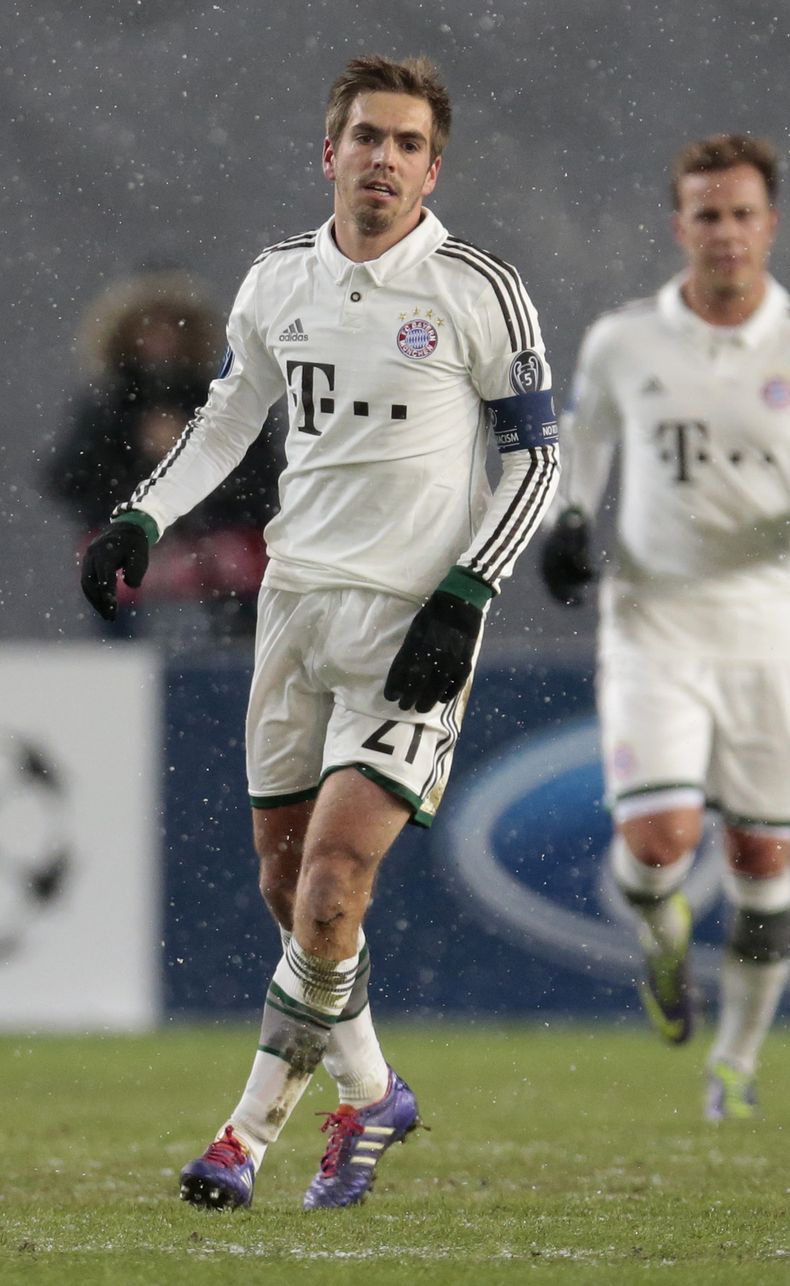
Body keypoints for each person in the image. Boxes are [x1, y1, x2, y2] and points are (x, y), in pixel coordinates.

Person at [80, 55, 559, 1209]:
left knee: (335, 885)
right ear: (328, 151)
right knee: (287, 885)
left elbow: (538, 459)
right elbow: (229, 416)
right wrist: (144, 510)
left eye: (405, 143)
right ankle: (373, 1087)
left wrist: (468, 592)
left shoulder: (476, 289)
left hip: (412, 623)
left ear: (432, 167)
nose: (382, 158)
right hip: (295, 610)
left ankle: (240, 1139)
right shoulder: (275, 280)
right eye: (364, 137)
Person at [541, 133, 790, 1121]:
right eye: (705, 212)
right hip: (652, 621)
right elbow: (581, 445)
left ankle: (734, 1056)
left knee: (765, 857)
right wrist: (566, 521)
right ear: (677, 223)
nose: (723, 232)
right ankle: (660, 933)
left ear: (767, 224)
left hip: (769, 626)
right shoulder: (624, 340)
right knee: (658, 839)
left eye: (740, 213)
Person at [47, 268, 282, 644]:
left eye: (173, 326)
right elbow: (69, 479)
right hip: (134, 560)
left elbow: (264, 478)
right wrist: (132, 466)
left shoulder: (224, 398)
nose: (160, 339)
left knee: (236, 648)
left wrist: (202, 485)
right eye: (148, 326)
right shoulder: (108, 406)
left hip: (222, 555)